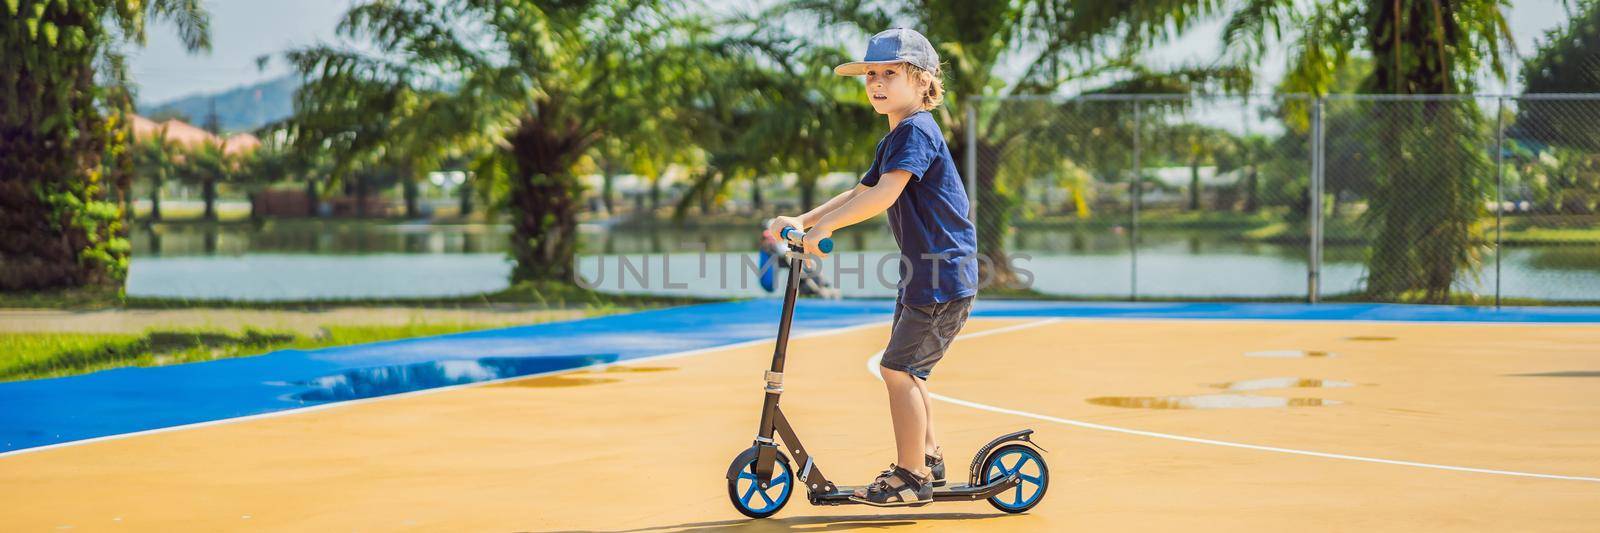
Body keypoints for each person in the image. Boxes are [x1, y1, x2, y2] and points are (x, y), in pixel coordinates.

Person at [766, 27, 977, 506]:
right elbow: (862, 191)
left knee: (897, 371)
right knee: (910, 372)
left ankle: (911, 477)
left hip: (940, 277)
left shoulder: (917, 129)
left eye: (890, 73)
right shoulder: (899, 135)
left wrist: (827, 231)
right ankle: (929, 459)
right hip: (925, 276)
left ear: (924, 82)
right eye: (870, 75)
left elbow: (885, 194)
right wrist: (806, 219)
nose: (877, 83)